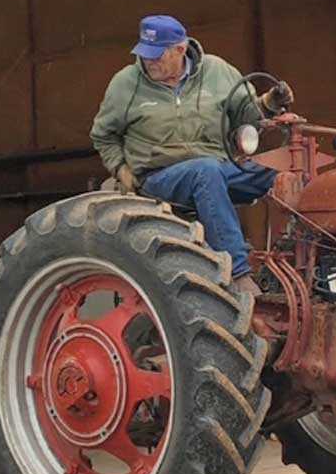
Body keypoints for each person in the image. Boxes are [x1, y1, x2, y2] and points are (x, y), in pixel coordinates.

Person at [90, 15, 293, 296]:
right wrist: (121, 170)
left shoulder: (217, 71)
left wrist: (269, 103)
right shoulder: (125, 84)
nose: (149, 62)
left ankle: (296, 262)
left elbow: (246, 115)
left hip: (219, 166)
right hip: (159, 176)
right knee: (205, 171)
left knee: (283, 173)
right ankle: (238, 272)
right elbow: (103, 135)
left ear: (180, 49)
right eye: (144, 54)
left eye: (157, 55)